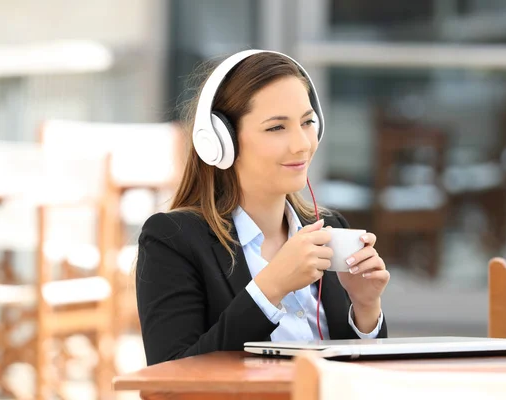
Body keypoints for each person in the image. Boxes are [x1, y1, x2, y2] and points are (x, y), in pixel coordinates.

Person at [136, 50, 390, 366]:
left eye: (308, 122)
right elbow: (170, 374)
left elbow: (364, 375)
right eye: (276, 128)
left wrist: (366, 309)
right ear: (221, 140)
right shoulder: (173, 239)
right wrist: (270, 287)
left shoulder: (329, 227)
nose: (302, 144)